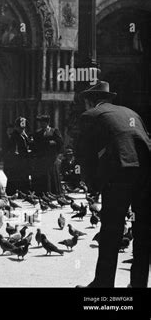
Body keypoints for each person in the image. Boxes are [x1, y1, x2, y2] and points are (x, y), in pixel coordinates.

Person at [76, 81, 151, 288]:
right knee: (143, 231)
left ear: (90, 102)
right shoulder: (131, 113)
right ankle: (138, 285)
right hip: (146, 174)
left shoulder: (90, 116)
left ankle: (103, 283)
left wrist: (92, 187)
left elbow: (85, 155)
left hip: (119, 175)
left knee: (111, 230)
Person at [31, 115, 64, 195]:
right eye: (40, 123)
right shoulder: (38, 133)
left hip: (51, 158)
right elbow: (34, 145)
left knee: (52, 175)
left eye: (43, 122)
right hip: (42, 159)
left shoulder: (54, 131)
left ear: (47, 122)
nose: (41, 124)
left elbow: (60, 142)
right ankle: (42, 192)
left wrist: (51, 143)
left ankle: (54, 192)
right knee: (43, 176)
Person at [4, 117, 32, 195]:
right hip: (17, 161)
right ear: (16, 127)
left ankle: (23, 192)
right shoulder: (14, 136)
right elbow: (13, 149)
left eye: (23, 128)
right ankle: (14, 192)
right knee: (15, 177)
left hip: (23, 160)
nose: (22, 129)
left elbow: (28, 144)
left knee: (23, 177)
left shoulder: (23, 135)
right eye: (20, 128)